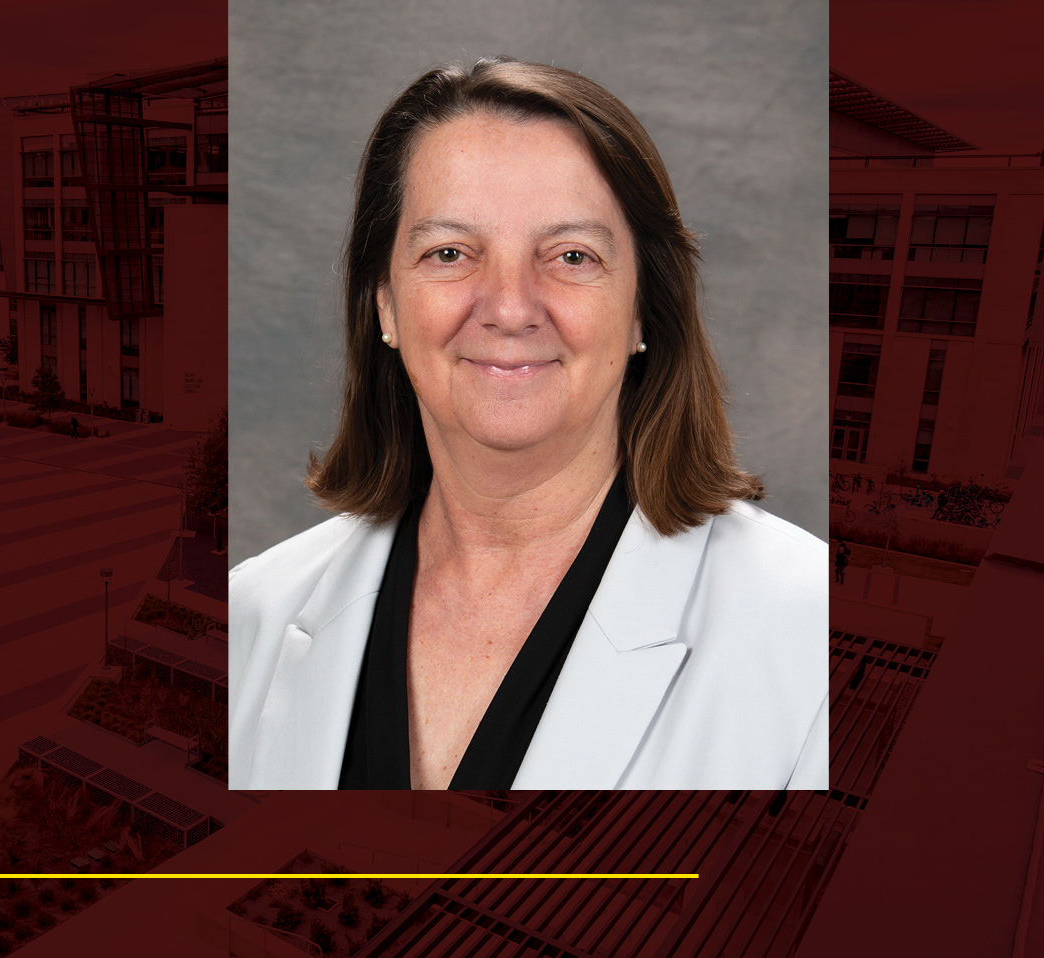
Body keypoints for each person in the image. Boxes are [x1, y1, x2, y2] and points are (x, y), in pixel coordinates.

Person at [230, 59, 826, 791]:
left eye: (571, 256)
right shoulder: (257, 609)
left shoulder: (807, 626)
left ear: (643, 308)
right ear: (385, 304)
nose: (510, 308)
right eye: (449, 253)